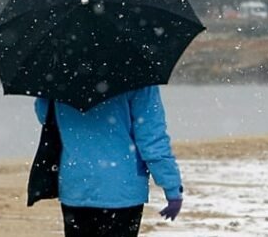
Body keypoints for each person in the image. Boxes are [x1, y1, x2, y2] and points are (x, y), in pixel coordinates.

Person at [35, 86, 184, 236]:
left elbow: (44, 116)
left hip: (76, 183)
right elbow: (152, 139)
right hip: (121, 187)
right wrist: (171, 188)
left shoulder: (60, 72)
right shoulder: (137, 75)